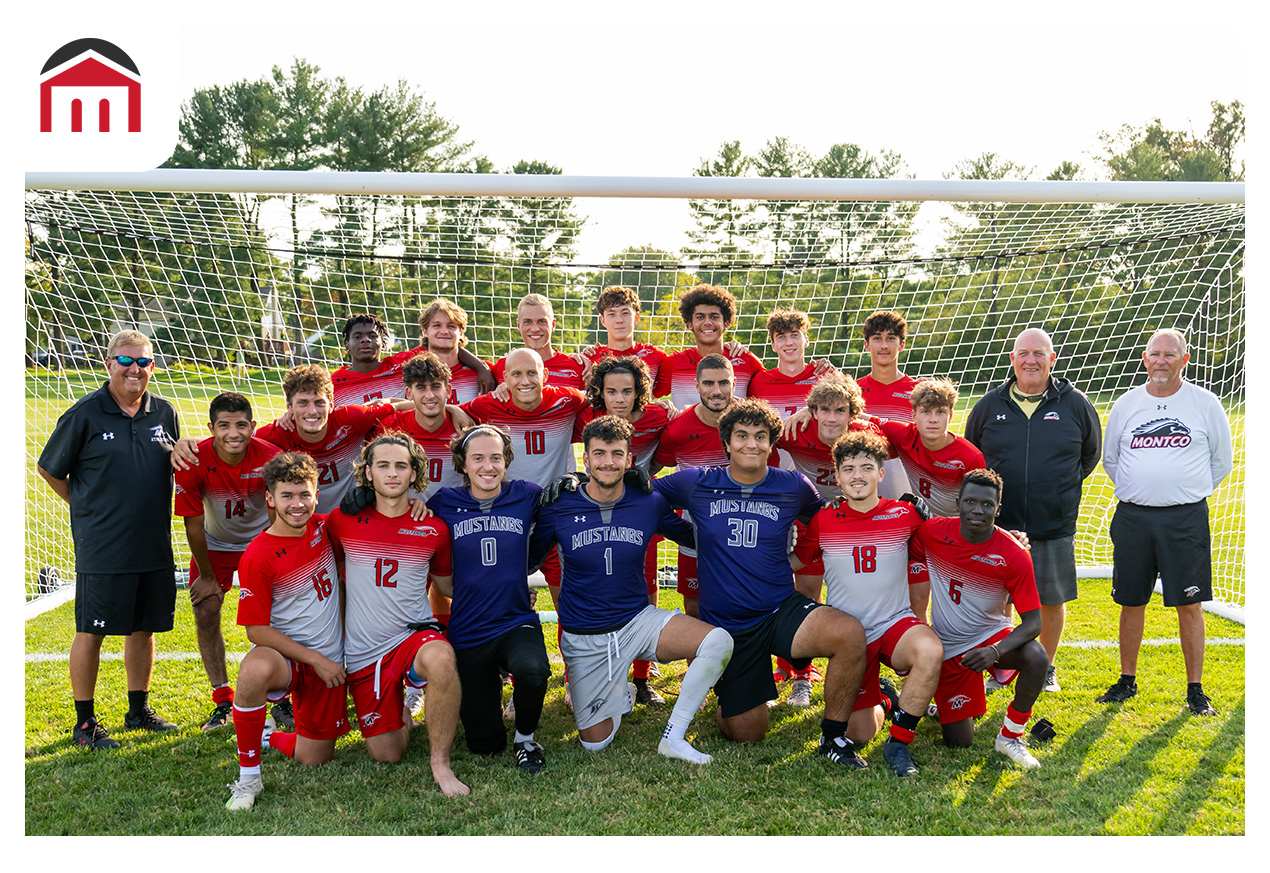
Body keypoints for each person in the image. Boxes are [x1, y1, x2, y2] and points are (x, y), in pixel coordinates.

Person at [652, 399, 870, 768]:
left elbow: (823, 520)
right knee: (747, 732)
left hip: (778, 608)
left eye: (760, 436)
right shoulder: (698, 481)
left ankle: (833, 736)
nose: (751, 444)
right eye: (742, 436)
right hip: (729, 624)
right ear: (727, 443)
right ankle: (730, 690)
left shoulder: (791, 484)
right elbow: (648, 496)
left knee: (848, 633)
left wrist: (800, 559)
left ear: (772, 444)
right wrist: (688, 535)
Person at [535, 416, 734, 763]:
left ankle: (673, 738)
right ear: (586, 459)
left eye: (616, 454)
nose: (608, 462)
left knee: (718, 641)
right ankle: (617, 689)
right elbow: (529, 559)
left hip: (637, 621)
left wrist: (753, 533)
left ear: (630, 460)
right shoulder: (560, 504)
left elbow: (693, 538)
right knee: (596, 743)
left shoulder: (648, 501)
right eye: (599, 453)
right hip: (587, 635)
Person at [37, 329, 182, 750]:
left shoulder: (164, 413)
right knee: (92, 631)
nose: (134, 369)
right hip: (103, 546)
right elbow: (50, 470)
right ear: (109, 364)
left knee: (144, 629)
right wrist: (87, 507)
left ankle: (138, 711)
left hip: (152, 542)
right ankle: (85, 724)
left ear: (152, 367)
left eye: (143, 362)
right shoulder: (85, 413)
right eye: (125, 361)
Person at [1096, 329, 1233, 716]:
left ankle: (1195, 688)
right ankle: (1127, 680)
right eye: (1155, 354)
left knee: (1189, 603)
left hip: (1184, 518)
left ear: (1184, 360)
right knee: (1130, 599)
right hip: (1134, 517)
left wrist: (1182, 490)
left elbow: (1220, 462)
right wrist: (1144, 489)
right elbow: (1112, 459)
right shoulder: (1127, 404)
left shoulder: (1205, 404)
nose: (1161, 361)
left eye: (1170, 355)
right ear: (1144, 358)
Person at [792, 429, 943, 776]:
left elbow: (949, 540)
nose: (857, 475)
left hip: (895, 623)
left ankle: (900, 743)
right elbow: (795, 563)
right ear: (838, 476)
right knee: (859, 733)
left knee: (930, 650)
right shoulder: (824, 519)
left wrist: (1009, 537)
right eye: (848, 468)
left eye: (865, 467)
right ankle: (886, 699)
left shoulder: (905, 515)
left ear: (880, 473)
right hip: (851, 639)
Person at [327, 434, 468, 794]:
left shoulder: (433, 528)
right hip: (365, 650)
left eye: (401, 466)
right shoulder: (341, 522)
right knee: (387, 754)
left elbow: (447, 586)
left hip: (413, 635)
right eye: (383, 465)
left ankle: (440, 762)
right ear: (368, 473)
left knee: (440, 656)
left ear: (414, 473)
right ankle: (402, 708)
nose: (392, 473)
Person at [964, 327, 1101, 693]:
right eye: (1023, 353)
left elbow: (1089, 456)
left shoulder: (1076, 404)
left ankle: (1047, 667)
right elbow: (973, 458)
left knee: (1050, 599)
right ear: (1012, 359)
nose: (1031, 360)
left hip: (1052, 523)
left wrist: (1056, 490)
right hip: (999, 525)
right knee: (998, 600)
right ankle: (1003, 667)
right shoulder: (989, 406)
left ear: (1052, 359)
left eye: (1039, 353)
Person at [225, 452, 349, 811]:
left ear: (316, 494)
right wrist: (317, 660)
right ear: (270, 498)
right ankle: (248, 779)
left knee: (315, 757)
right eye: (287, 496)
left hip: (332, 660)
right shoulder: (257, 555)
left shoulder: (326, 527)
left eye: (303, 495)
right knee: (254, 668)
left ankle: (273, 736)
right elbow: (256, 630)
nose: (297, 505)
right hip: (291, 659)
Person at [427, 425, 554, 773]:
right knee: (484, 745)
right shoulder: (442, 503)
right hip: (468, 628)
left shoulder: (526, 494)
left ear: (507, 461)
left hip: (514, 618)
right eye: (478, 458)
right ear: (462, 464)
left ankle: (526, 740)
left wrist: (571, 482)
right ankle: (489, 696)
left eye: (496, 457)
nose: (488, 466)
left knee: (533, 671)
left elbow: (563, 510)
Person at [910, 468, 1049, 768]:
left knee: (1037, 657)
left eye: (987, 504)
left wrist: (995, 652)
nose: (978, 510)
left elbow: (1034, 623)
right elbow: (902, 540)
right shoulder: (932, 532)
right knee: (960, 742)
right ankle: (941, 702)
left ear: (998, 509)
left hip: (990, 638)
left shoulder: (1013, 554)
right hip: (947, 646)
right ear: (958, 502)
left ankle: (1010, 737)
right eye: (971, 501)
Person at [173, 392, 282, 732]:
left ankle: (281, 699)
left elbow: (278, 513)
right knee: (205, 609)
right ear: (211, 428)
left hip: (261, 543)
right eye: (224, 426)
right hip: (215, 545)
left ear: (252, 426)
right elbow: (192, 523)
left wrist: (273, 560)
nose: (233, 433)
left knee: (275, 615)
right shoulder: (193, 461)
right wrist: (206, 575)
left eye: (240, 425)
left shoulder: (271, 458)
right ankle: (222, 701)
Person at [574, 355, 673, 704]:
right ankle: (588, 670)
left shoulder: (657, 416)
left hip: (638, 510)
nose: (619, 398)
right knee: (593, 583)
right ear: (600, 392)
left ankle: (643, 675)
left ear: (639, 392)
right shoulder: (587, 415)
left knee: (646, 582)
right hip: (595, 507)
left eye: (627, 391)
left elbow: (670, 441)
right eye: (611, 391)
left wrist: (649, 472)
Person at [650, 355, 776, 619]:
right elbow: (653, 471)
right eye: (708, 383)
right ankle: (699, 662)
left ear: (734, 384)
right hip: (697, 536)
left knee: (750, 606)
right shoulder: (677, 430)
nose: (716, 391)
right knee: (694, 609)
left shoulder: (753, 426)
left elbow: (771, 473)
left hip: (746, 534)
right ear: (696, 385)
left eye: (723, 383)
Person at [331, 310, 494, 406]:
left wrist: (482, 368)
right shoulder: (333, 383)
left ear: (384, 343)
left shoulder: (398, 365)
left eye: (372, 336)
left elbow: (443, 347)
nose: (365, 340)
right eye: (357, 336)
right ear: (346, 344)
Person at [653, 284, 765, 408]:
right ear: (689, 324)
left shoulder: (747, 361)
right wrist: (660, 407)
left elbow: (770, 399)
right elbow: (640, 398)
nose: (707, 322)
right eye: (700, 317)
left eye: (714, 317)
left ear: (726, 323)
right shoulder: (674, 363)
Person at [856, 310, 920, 499]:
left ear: (902, 344)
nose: (884, 345)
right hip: (864, 496)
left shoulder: (919, 393)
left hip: (909, 496)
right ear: (867, 345)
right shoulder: (853, 393)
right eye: (877, 338)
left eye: (890, 338)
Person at [747, 307, 836, 418]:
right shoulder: (759, 382)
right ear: (773, 346)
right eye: (781, 337)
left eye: (794, 335)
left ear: (806, 341)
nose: (789, 343)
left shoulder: (826, 376)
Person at [492, 293, 588, 390]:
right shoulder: (501, 367)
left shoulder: (577, 369)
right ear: (518, 325)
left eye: (542, 321)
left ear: (553, 324)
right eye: (527, 322)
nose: (535, 329)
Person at [581, 285, 669, 385]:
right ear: (603, 320)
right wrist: (574, 356)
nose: (619, 320)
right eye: (612, 314)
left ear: (636, 317)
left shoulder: (655, 357)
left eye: (625, 313)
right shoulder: (589, 359)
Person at [415, 298, 497, 403]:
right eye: (437, 325)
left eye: (451, 326)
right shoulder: (410, 371)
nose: (444, 331)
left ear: (461, 333)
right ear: (425, 331)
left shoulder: (486, 372)